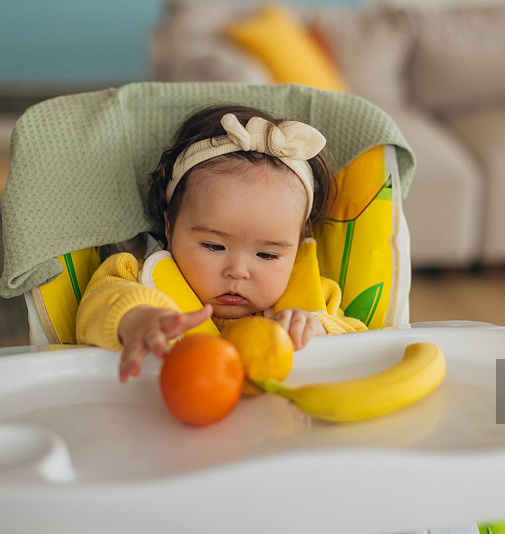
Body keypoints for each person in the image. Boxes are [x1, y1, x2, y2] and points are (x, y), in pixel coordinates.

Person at [76, 105, 367, 382]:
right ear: (169, 225)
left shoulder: (319, 296)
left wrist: (320, 331)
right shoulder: (134, 276)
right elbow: (97, 306)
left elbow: (363, 344)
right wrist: (136, 320)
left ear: (296, 247)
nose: (237, 271)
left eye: (266, 254)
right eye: (214, 246)